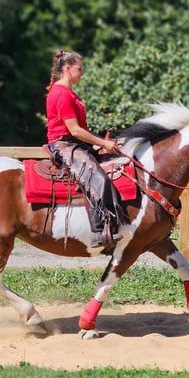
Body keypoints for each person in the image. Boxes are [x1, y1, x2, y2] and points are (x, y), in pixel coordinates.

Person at [45, 49, 128, 249]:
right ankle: (101, 230)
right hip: (65, 145)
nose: (82, 73)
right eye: (79, 69)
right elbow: (74, 129)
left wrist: (97, 144)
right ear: (66, 68)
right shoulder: (61, 93)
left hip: (75, 143)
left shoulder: (68, 92)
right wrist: (104, 143)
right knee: (95, 176)